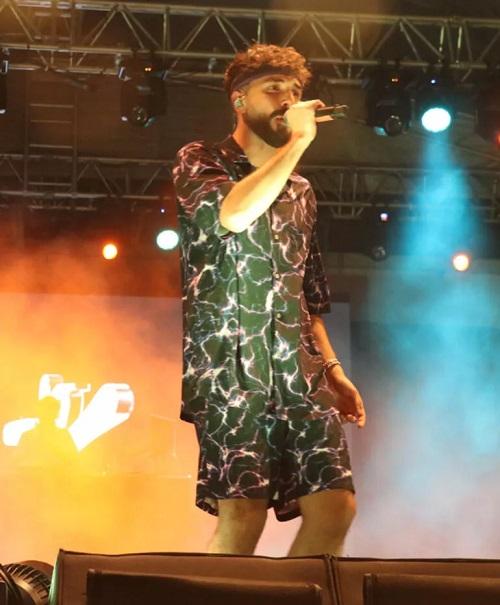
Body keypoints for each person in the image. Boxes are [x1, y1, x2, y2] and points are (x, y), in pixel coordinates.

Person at [173, 43, 366, 556]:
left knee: (336, 508)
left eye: (295, 90)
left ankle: (291, 592)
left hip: (300, 369)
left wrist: (333, 369)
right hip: (231, 369)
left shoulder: (301, 190)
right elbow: (234, 215)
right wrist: (298, 142)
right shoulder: (201, 160)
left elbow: (308, 295)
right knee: (243, 518)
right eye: (273, 88)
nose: (287, 99)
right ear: (239, 100)